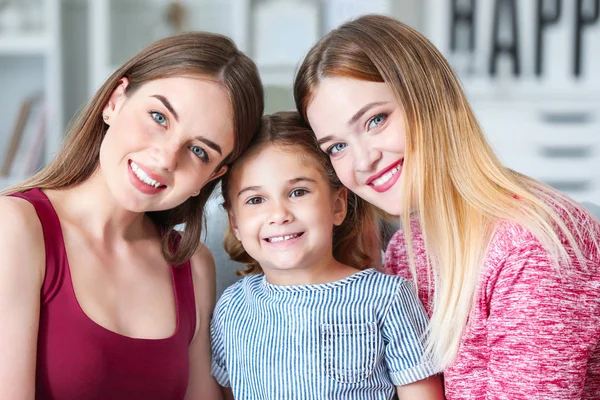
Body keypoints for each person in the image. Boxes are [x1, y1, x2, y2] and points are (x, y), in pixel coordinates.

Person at [293, 14, 600, 400]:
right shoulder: (406, 248)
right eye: (336, 146)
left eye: (376, 120)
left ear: (430, 99)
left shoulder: (533, 245)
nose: (362, 161)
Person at [0, 31, 263, 399]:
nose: (166, 158)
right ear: (115, 100)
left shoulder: (191, 266)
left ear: (213, 176)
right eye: (159, 116)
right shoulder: (15, 229)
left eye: (199, 151)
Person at [211, 111, 444, 400]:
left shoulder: (388, 297)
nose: (279, 215)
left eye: (298, 192)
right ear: (235, 223)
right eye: (256, 200)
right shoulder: (232, 308)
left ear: (337, 206)